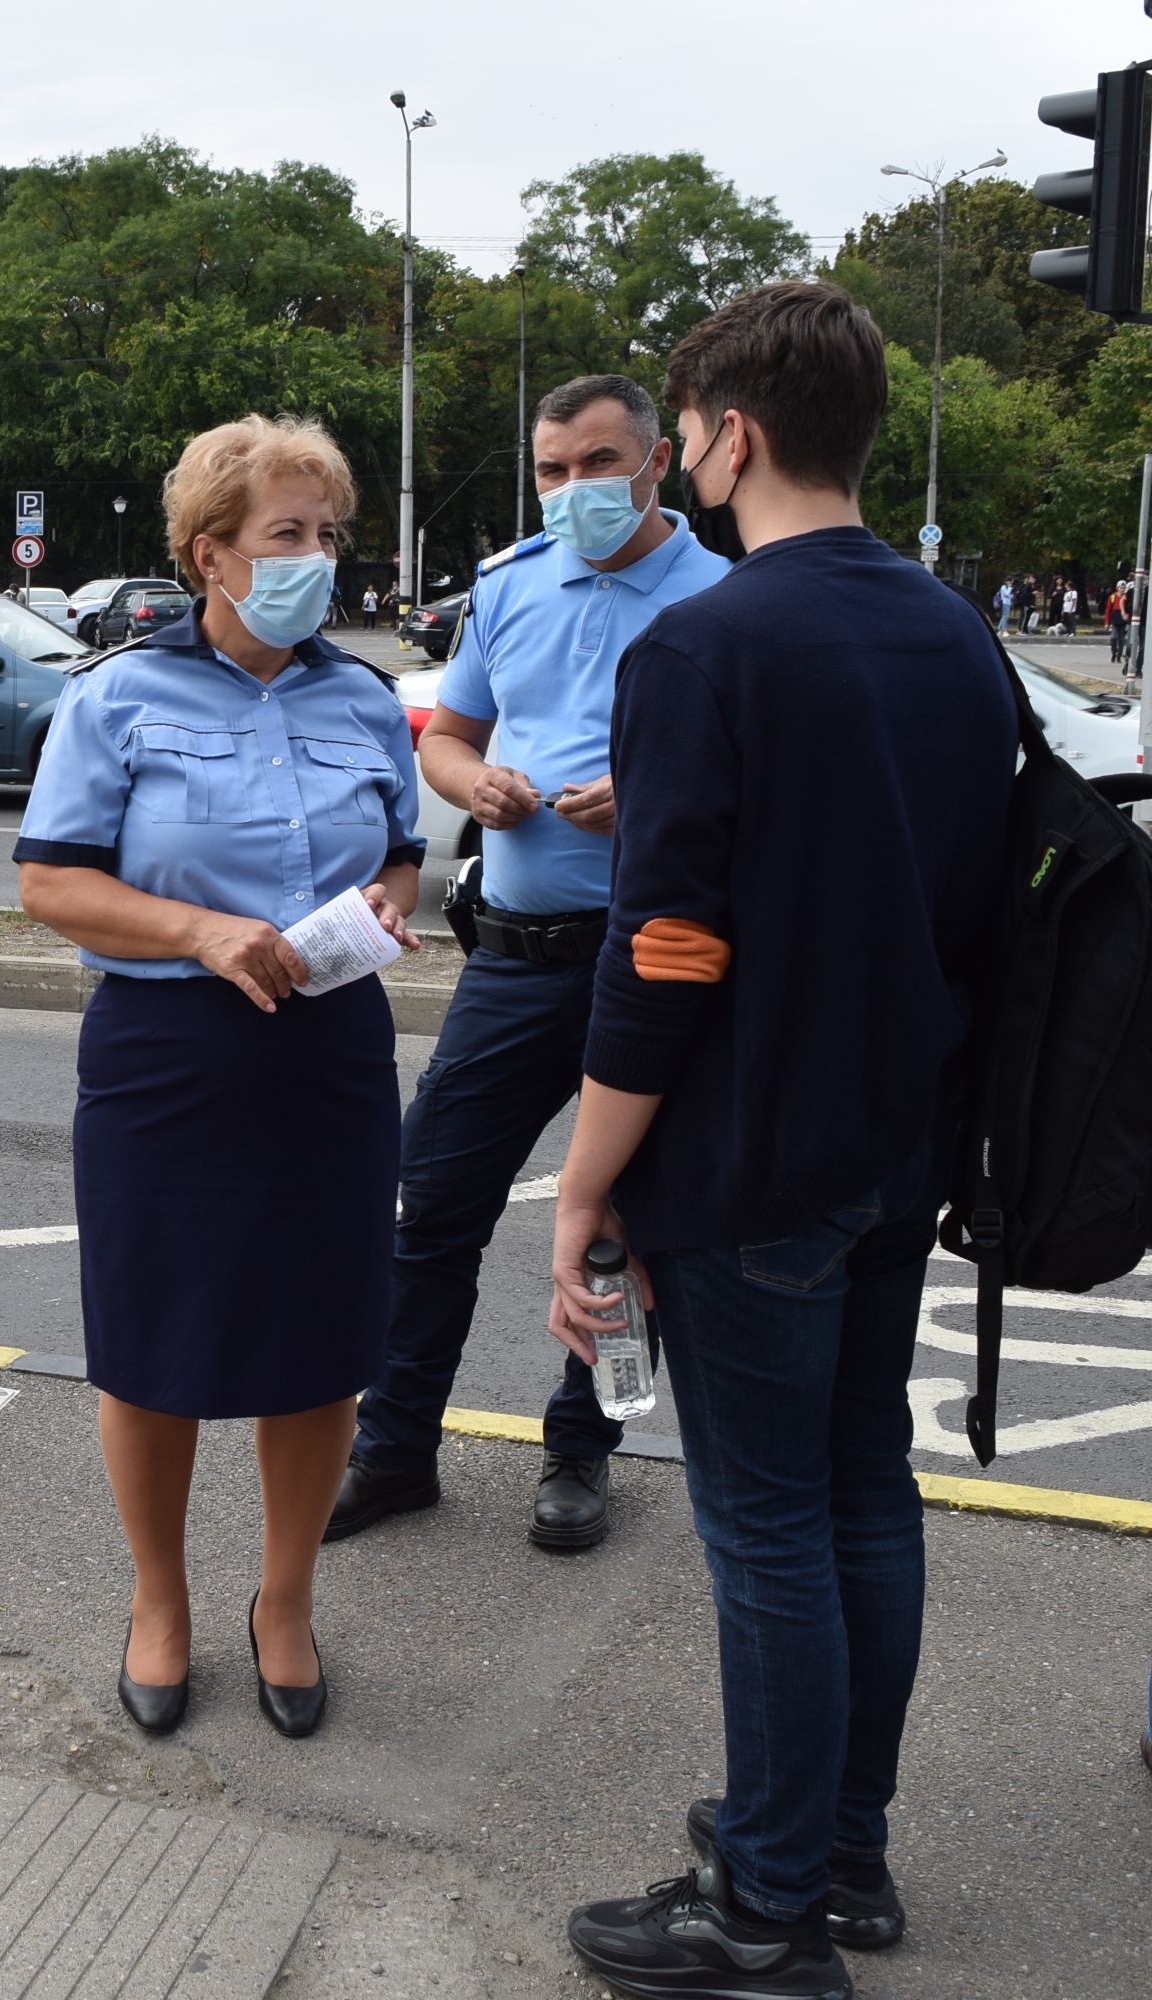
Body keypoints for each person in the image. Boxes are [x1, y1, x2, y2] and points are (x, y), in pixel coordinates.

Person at [550, 284, 1013, 1998]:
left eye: (673, 436)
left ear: (725, 437)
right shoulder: (951, 630)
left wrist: (583, 1189)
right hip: (901, 1144)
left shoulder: (703, 645)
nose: (668, 463)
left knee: (761, 1531)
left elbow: (663, 954)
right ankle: (838, 1853)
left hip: (750, 1160)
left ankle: (759, 1913)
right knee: (857, 1497)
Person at [15, 415, 421, 1741]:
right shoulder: (114, 698)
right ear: (209, 556)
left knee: (316, 1343)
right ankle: (158, 1600)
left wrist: (380, 902)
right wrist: (198, 931)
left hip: (328, 1049)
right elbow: (49, 880)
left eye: (326, 535)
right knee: (154, 1343)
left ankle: (284, 1602)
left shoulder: (361, 699)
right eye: (285, 536)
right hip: (166, 1057)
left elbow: (402, 851)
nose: (316, 560)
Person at [328, 376, 732, 1554]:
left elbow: (769, 793)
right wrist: (473, 783)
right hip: (513, 957)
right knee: (428, 1206)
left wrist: (655, 800)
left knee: (620, 1229)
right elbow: (448, 739)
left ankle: (581, 1449)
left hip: (653, 961)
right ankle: (394, 1445)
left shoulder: (724, 597)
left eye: (596, 465)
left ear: (655, 463)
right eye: (550, 471)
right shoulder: (507, 587)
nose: (569, 492)